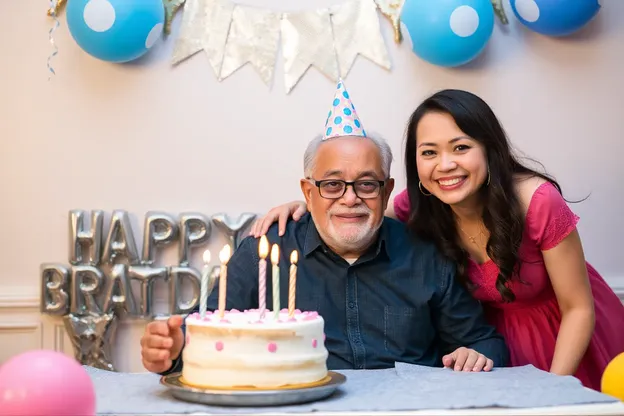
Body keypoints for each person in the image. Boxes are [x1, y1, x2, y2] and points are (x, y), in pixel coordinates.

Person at [248, 88, 624, 391]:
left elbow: (578, 308)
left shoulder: (537, 202)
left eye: (461, 147)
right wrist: (307, 203)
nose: (445, 165)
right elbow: (357, 209)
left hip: (566, 332)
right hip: (495, 339)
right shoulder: (416, 205)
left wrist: (552, 390)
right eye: (429, 152)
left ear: (489, 150)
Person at [140, 82, 509, 377]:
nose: (350, 199)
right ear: (307, 191)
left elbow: (485, 343)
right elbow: (200, 336)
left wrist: (475, 355)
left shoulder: (427, 255)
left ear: (388, 190)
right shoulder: (265, 253)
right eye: (332, 185)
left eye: (367, 184)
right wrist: (170, 351)